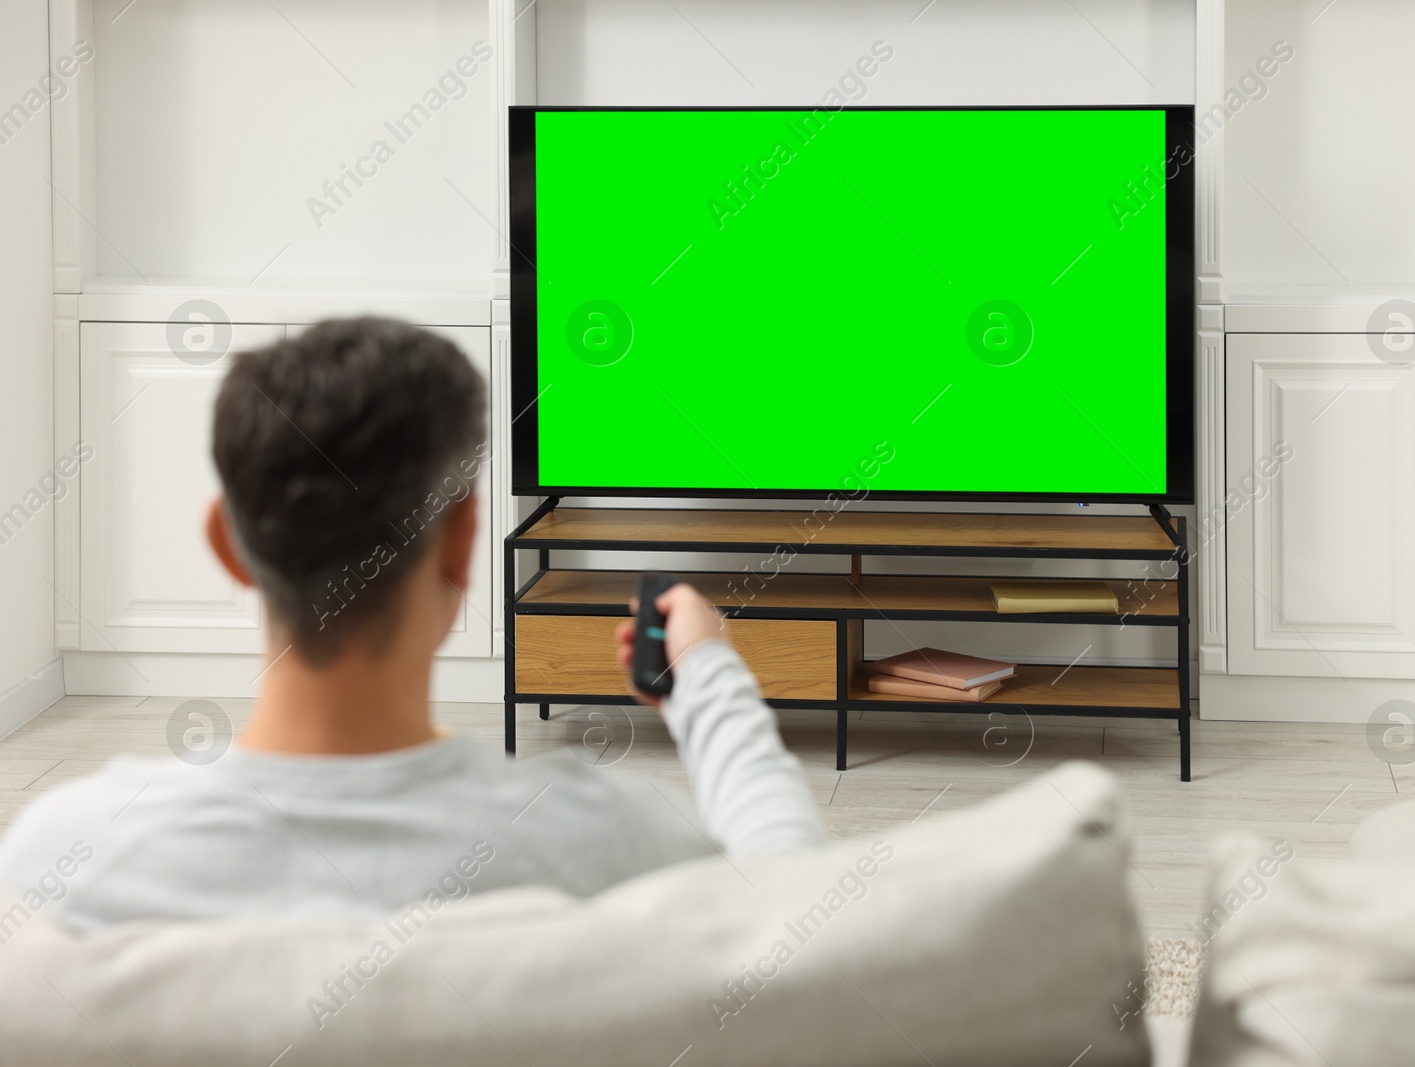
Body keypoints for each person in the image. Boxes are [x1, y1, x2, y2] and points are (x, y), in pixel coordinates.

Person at [0, 317, 825, 930]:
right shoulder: (607, 846)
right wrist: (711, 680)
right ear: (464, 543)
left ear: (229, 544)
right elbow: (790, 917)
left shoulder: (58, 859)